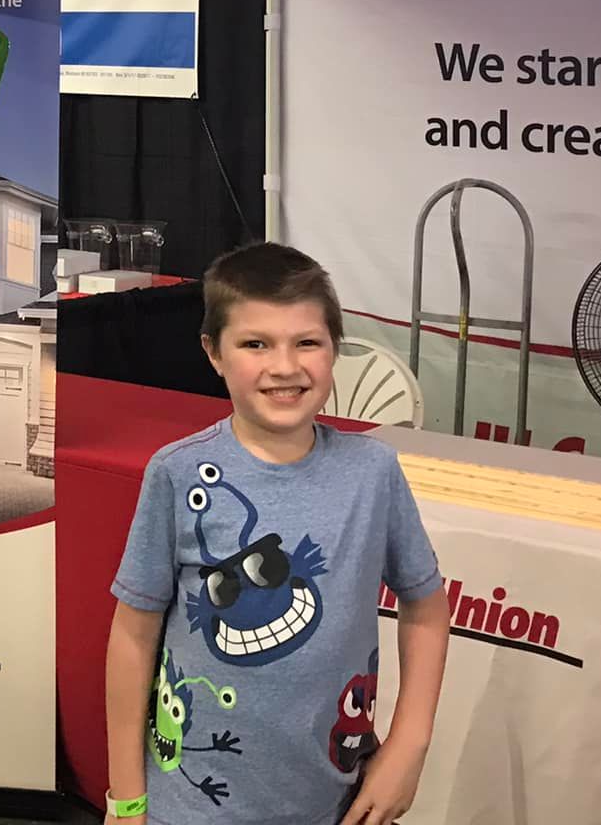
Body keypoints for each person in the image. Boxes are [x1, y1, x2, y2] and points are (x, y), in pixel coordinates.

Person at [104, 243, 450, 825]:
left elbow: (427, 608)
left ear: (335, 348)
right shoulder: (176, 472)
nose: (285, 366)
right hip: (188, 808)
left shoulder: (373, 472)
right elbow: (133, 637)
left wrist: (409, 745)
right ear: (214, 353)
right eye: (256, 343)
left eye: (307, 342)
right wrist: (126, 799)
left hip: (334, 802)